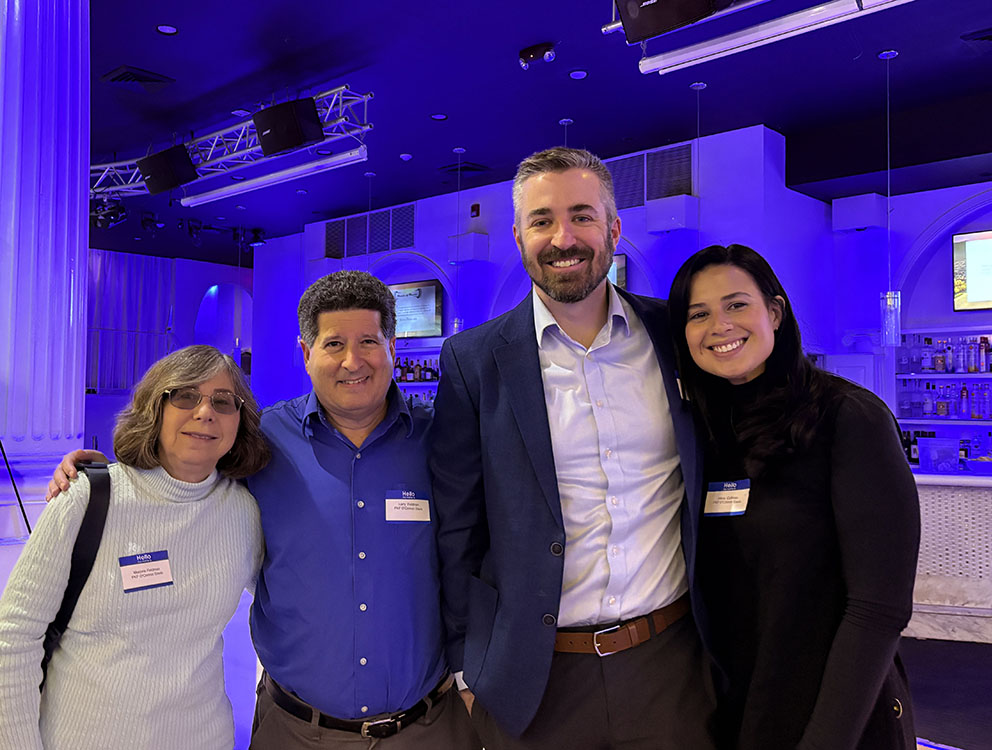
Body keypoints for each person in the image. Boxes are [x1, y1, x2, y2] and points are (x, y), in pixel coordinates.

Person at [49, 272, 479, 749]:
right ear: (306, 353)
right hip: (294, 731)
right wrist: (110, 474)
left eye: (368, 342)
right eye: (334, 344)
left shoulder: (441, 440)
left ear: (392, 348)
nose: (352, 361)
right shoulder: (262, 442)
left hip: (425, 728)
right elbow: (181, 473)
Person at [430, 147, 716, 750]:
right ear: (518, 237)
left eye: (582, 216)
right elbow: (457, 528)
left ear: (613, 229)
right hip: (533, 683)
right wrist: (465, 666)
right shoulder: (473, 362)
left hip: (672, 665)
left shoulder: (676, 336)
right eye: (542, 221)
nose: (563, 238)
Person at [666, 243, 920, 749]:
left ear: (775, 313)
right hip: (735, 712)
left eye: (737, 305)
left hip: (833, 717)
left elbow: (879, 609)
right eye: (699, 314)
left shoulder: (848, 418)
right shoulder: (703, 434)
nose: (720, 325)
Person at [0, 345, 269, 750]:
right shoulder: (87, 499)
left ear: (239, 421)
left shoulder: (244, 512)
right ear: (154, 409)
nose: (205, 412)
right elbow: (14, 638)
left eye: (223, 401)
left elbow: (289, 609)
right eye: (185, 396)